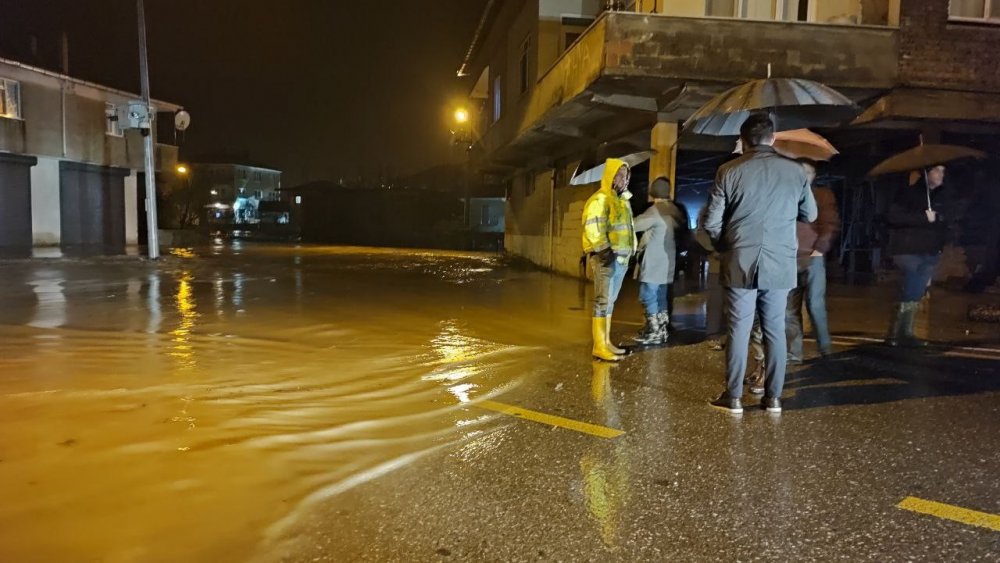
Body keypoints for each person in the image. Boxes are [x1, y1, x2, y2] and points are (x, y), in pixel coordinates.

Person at [702, 113, 817, 414]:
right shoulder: (795, 172)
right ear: (773, 137)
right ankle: (773, 397)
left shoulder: (728, 170)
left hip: (740, 259)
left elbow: (712, 222)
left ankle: (734, 397)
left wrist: (724, 245)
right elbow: (811, 214)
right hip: (780, 262)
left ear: (743, 140)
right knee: (775, 330)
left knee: (738, 329)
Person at [885, 165, 950, 347]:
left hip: (929, 252)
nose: (940, 175)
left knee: (916, 291)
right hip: (909, 249)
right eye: (936, 171)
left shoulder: (941, 197)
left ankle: (903, 332)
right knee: (912, 286)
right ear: (926, 174)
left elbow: (946, 222)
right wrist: (923, 217)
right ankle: (899, 332)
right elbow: (894, 216)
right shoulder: (908, 193)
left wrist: (939, 220)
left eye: (943, 171)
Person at [582, 159, 637, 361]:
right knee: (602, 301)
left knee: (610, 302)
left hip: (620, 259)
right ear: (609, 176)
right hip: (606, 257)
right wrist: (604, 251)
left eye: (625, 175)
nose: (622, 179)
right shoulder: (600, 199)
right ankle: (599, 346)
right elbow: (593, 226)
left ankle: (606, 343)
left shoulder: (621, 200)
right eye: (618, 174)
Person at [786, 160, 841, 363]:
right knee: (789, 308)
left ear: (814, 175)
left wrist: (820, 249)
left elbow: (829, 223)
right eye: (801, 171)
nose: (804, 175)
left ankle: (825, 348)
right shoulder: (786, 195)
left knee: (815, 304)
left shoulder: (821, 195)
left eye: (808, 172)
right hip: (789, 257)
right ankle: (793, 352)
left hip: (813, 256)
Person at [631, 177, 682, 345]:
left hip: (654, 262)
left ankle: (653, 331)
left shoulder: (655, 211)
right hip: (668, 262)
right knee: (661, 296)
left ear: (653, 192)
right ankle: (662, 329)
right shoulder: (673, 210)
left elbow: (635, 225)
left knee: (647, 294)